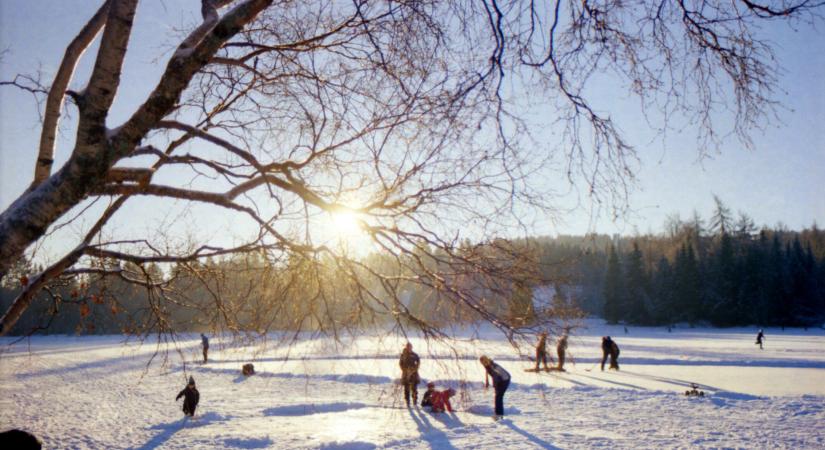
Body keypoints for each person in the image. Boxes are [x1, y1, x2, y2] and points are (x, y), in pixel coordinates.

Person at [399, 342, 421, 407]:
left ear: (412, 347)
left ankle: (415, 401)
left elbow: (418, 362)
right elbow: (400, 364)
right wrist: (405, 370)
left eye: (410, 347)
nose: (409, 348)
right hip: (406, 374)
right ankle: (407, 401)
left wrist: (414, 369)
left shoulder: (414, 354)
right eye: (408, 347)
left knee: (414, 388)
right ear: (406, 347)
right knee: (406, 388)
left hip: (414, 373)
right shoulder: (403, 355)